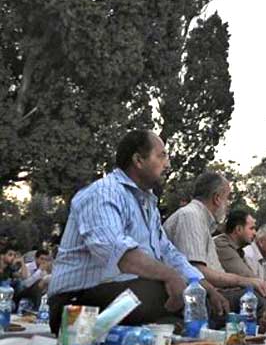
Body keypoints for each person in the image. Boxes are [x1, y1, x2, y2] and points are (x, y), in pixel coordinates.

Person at [47, 130, 228, 333]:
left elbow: (169, 253)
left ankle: (162, 323)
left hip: (123, 293)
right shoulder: (103, 193)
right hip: (75, 302)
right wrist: (170, 276)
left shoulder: (147, 203)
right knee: (161, 292)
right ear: (139, 160)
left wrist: (206, 288)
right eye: (162, 156)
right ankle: (163, 322)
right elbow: (120, 254)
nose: (167, 164)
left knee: (204, 297)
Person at [164, 173, 266, 328]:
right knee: (255, 298)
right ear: (217, 198)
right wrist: (243, 282)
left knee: (253, 296)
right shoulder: (190, 216)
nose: (228, 204)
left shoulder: (201, 221)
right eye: (227, 198)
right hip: (192, 297)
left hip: (206, 291)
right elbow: (195, 271)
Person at [213, 210, 266, 319]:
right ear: (238, 229)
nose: (255, 233)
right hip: (212, 297)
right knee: (255, 297)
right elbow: (250, 277)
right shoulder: (222, 244)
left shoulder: (239, 250)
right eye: (251, 228)